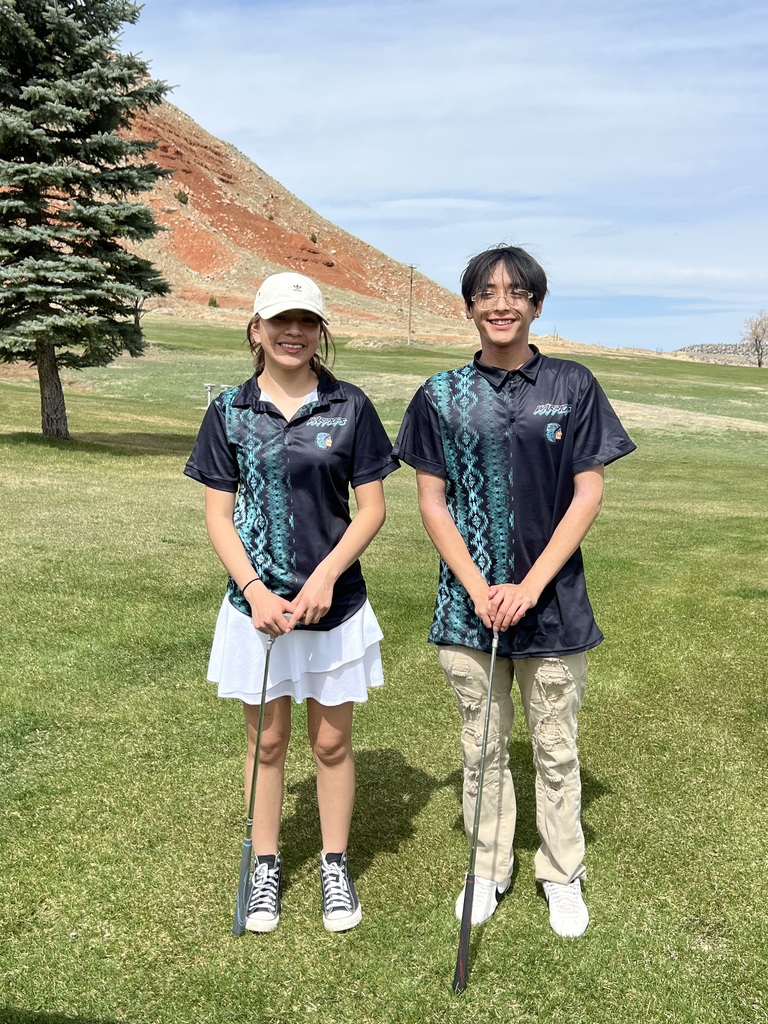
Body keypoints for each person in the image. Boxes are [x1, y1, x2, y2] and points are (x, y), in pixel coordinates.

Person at [392, 244, 635, 938]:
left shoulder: (573, 384)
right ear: (469, 306)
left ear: (536, 304)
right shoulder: (439, 394)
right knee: (482, 747)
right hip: (467, 608)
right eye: (487, 294)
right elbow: (432, 502)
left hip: (552, 605)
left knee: (555, 747)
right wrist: (479, 587)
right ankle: (488, 868)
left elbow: (587, 494)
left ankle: (561, 873)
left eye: (516, 292)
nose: (502, 305)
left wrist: (527, 586)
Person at [185, 272, 398, 934]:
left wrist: (327, 576)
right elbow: (218, 516)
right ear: (257, 330)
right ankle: (267, 864)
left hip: (333, 604)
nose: (294, 332)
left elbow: (371, 508)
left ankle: (334, 864)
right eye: (281, 321)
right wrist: (253, 589)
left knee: (331, 743)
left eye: (307, 321)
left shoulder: (350, 405)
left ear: (320, 331)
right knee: (267, 741)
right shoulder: (229, 410)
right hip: (257, 608)